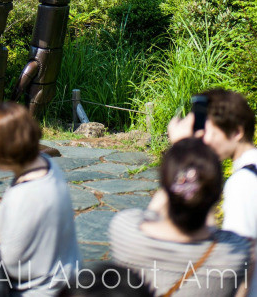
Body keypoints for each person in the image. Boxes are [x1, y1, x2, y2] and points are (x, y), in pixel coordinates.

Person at [0, 101, 80, 297]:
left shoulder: (22, 195)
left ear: (0, 152)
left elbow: (10, 264)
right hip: (67, 281)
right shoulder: (46, 165)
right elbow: (34, 212)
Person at [109, 138, 251, 296]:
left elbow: (149, 214)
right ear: (217, 196)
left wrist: (178, 156)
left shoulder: (125, 231)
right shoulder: (235, 253)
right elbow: (214, 231)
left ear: (164, 184)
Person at [167, 89, 257, 239]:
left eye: (206, 131)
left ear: (236, 132)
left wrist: (182, 149)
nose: (200, 138)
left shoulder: (242, 183)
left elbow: (237, 253)